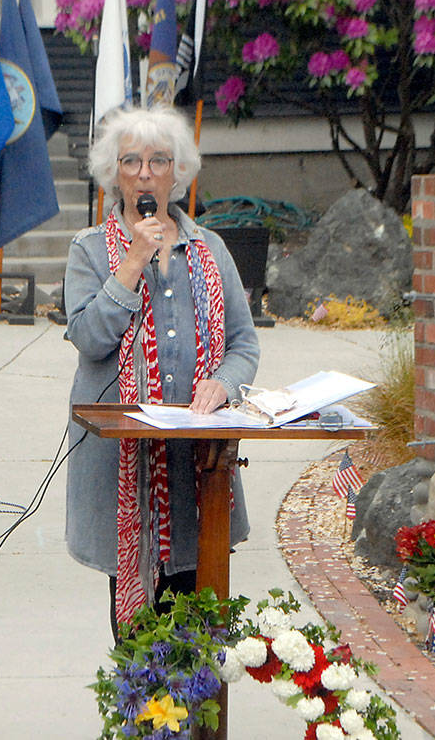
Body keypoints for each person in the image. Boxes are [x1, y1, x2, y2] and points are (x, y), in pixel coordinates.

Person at [63, 106, 260, 636]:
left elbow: (242, 343)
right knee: (138, 624)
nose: (145, 173)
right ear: (114, 173)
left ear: (178, 173)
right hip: (121, 460)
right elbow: (88, 337)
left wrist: (224, 383)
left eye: (158, 161)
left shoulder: (210, 249)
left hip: (197, 461)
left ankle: (195, 712)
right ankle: (143, 713)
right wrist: (131, 263)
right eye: (131, 161)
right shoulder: (88, 250)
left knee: (198, 606)